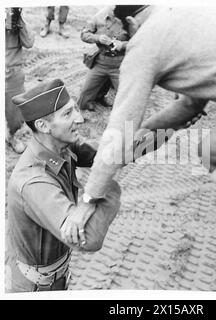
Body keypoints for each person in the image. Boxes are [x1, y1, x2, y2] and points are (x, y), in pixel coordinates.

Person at [76, 6, 216, 278]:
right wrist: (134, 146)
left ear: (127, 21)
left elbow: (121, 127)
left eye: (118, 35)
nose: (120, 45)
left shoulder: (145, 42)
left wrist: (91, 195)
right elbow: (189, 106)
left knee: (211, 153)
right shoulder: (185, 11)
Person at [6, 79, 121, 292]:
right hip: (36, 288)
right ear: (43, 125)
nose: (80, 118)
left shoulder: (61, 148)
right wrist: (108, 187)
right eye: (68, 114)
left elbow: (110, 153)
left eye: (75, 109)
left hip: (55, 278)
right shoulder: (34, 182)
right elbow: (88, 238)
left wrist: (166, 127)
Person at [78, 6, 129, 111]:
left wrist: (122, 45)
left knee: (126, 99)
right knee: (84, 96)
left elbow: (141, 41)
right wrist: (98, 38)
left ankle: (128, 126)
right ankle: (94, 102)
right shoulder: (99, 17)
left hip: (120, 65)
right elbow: (84, 34)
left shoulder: (130, 19)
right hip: (100, 62)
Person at [5, 7, 34, 153]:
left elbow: (29, 43)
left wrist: (19, 20)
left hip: (12, 76)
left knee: (14, 115)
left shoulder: (17, 23)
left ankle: (11, 137)